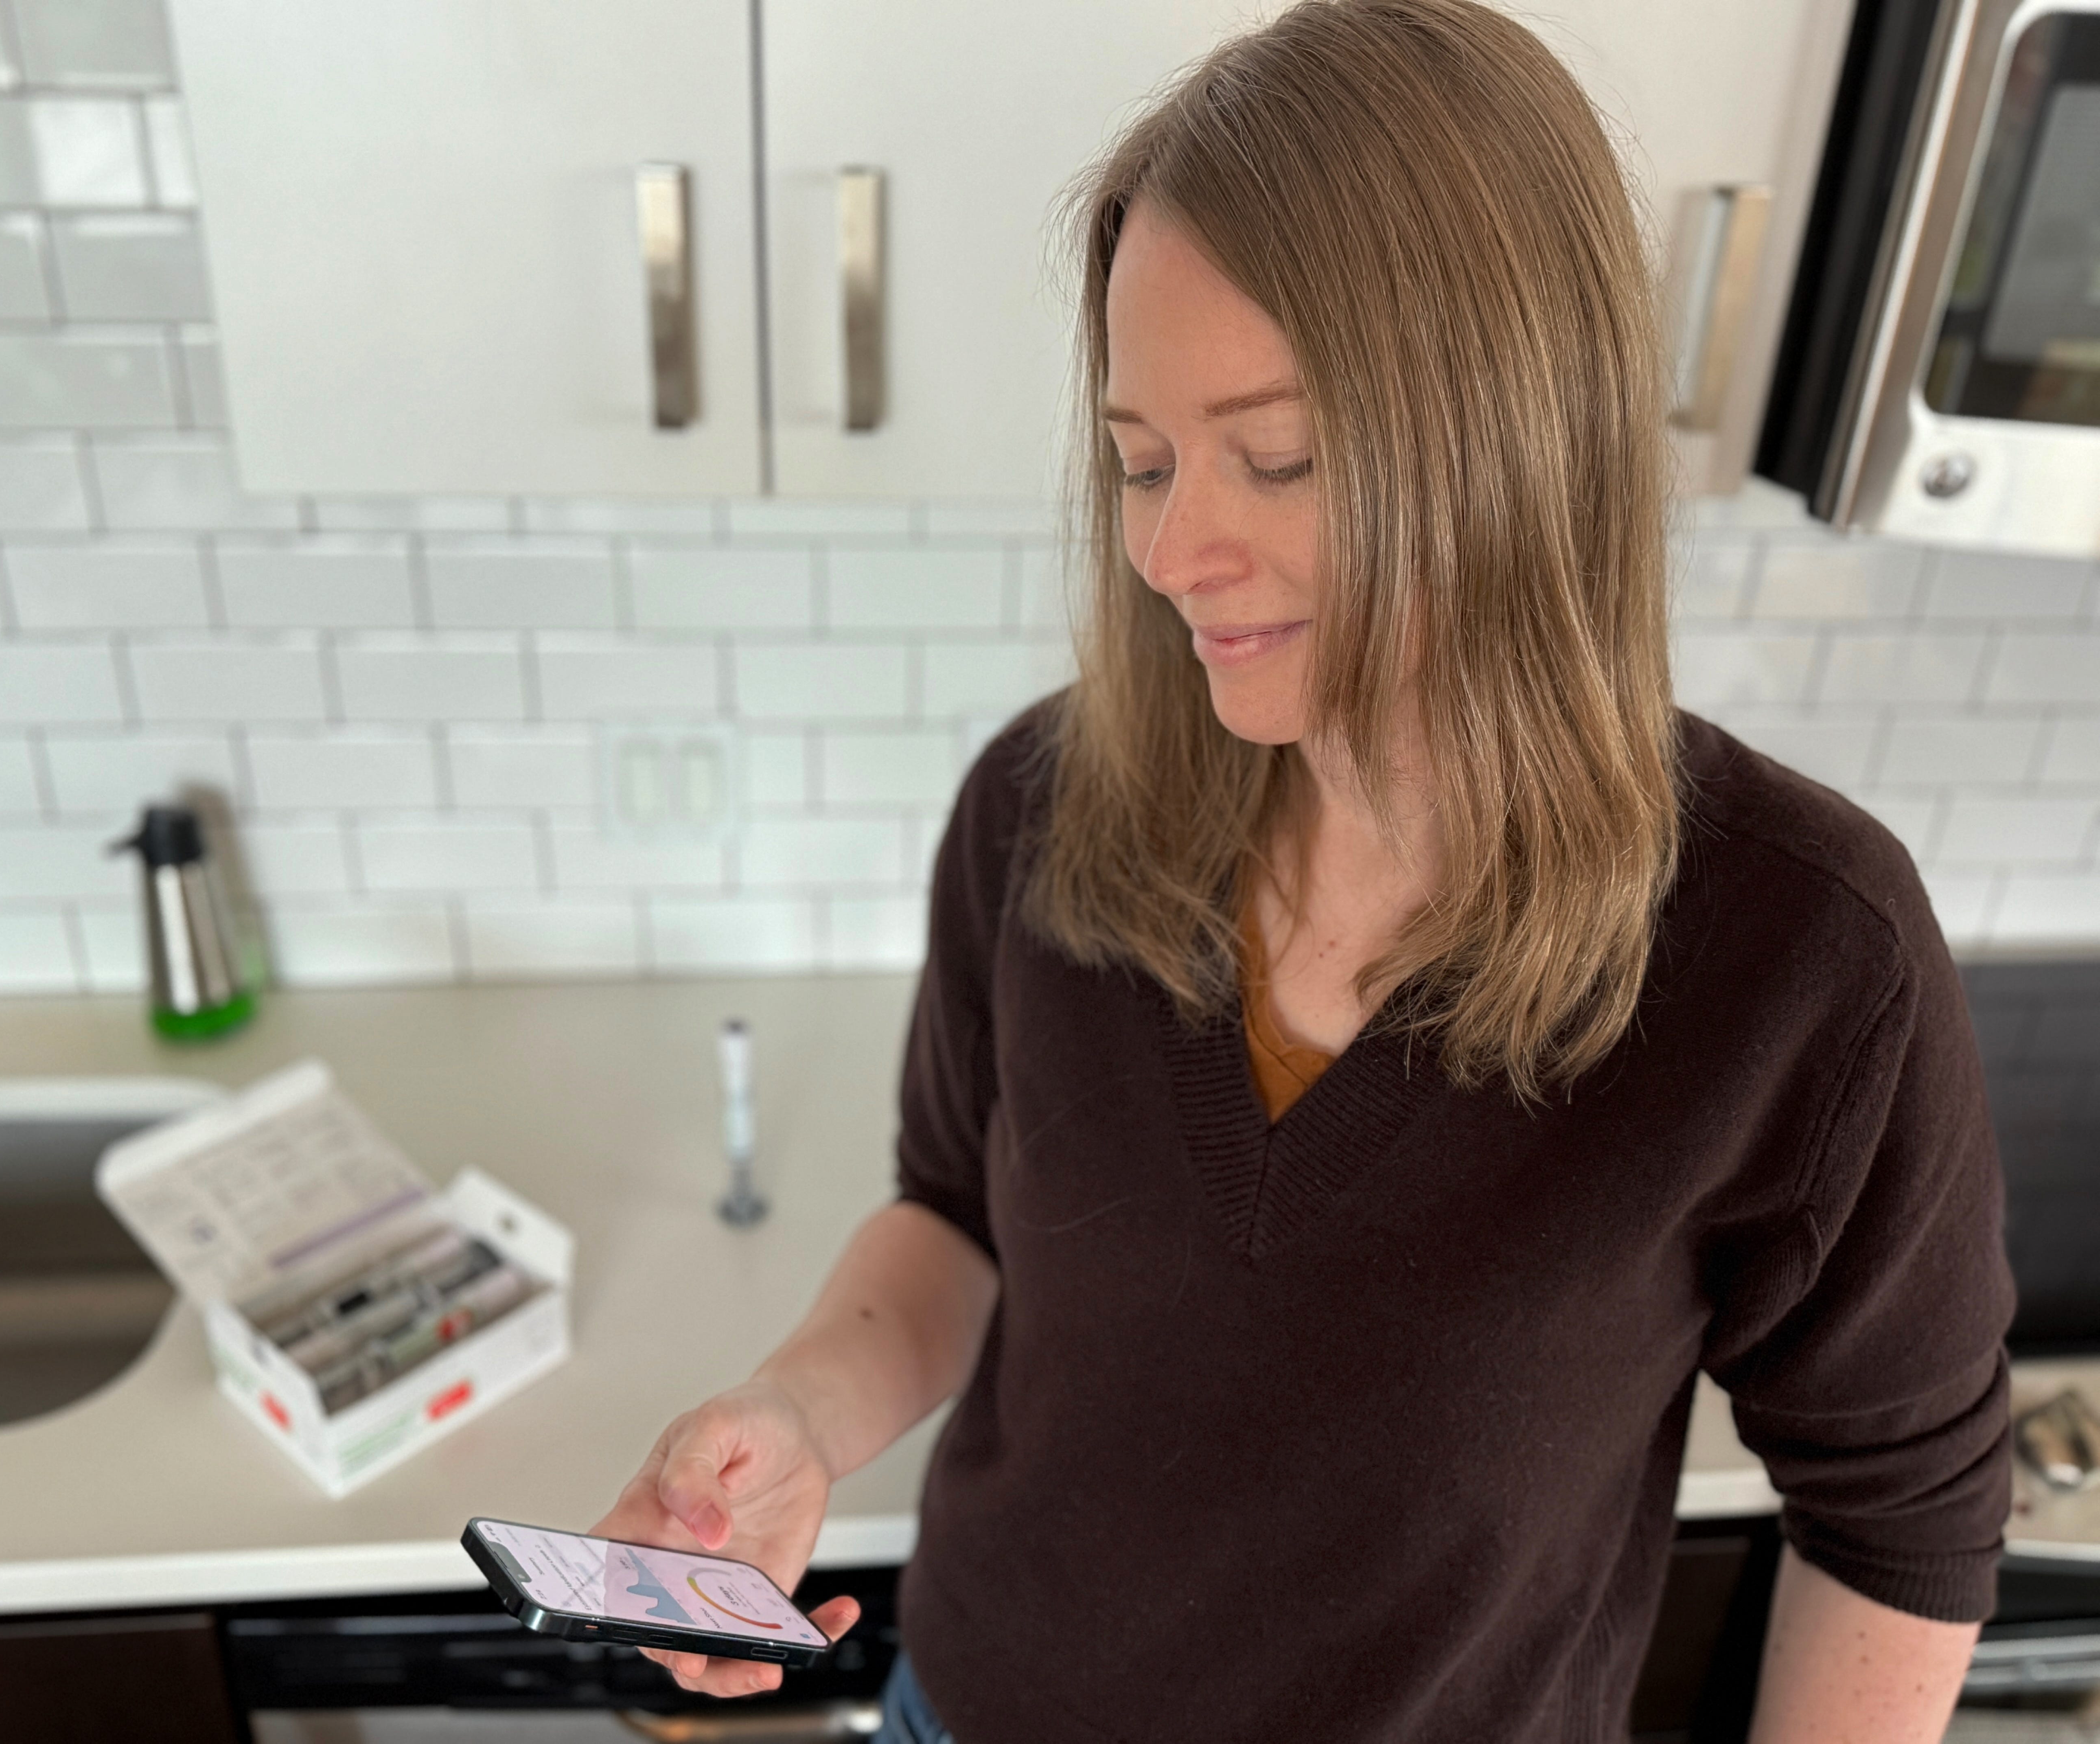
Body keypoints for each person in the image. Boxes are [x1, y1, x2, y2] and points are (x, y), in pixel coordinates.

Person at [591, 1, 2015, 1737]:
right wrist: (799, 1417)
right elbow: (955, 1213)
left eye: (1277, 456)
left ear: (1515, 434)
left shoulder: (1802, 959)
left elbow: (1902, 1514)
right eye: (1141, 460)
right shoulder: (1041, 808)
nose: (1171, 549)